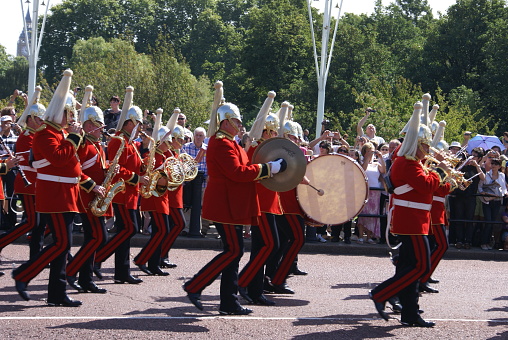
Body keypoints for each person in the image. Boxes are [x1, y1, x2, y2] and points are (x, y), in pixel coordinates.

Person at [183, 89, 285, 315]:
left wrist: (265, 166)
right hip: (225, 206)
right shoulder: (221, 143)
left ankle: (228, 302)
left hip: (233, 205)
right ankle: (195, 285)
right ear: (226, 122)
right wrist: (268, 168)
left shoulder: (233, 144)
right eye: (236, 121)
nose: (240, 125)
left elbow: (246, 167)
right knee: (233, 251)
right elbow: (237, 172)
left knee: (234, 251)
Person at [369, 100, 450, 327]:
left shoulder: (415, 162)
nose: (428, 150)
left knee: (408, 267)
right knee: (422, 267)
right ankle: (381, 293)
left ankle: (410, 313)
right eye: (425, 146)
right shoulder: (408, 163)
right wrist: (439, 170)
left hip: (416, 220)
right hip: (410, 221)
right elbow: (427, 186)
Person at [12, 69, 85, 306]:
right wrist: (73, 138)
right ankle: (23, 275)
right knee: (62, 243)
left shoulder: (60, 133)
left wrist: (92, 186)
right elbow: (60, 159)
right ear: (59, 112)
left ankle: (56, 293)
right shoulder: (45, 133)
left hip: (66, 194)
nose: (72, 118)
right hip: (54, 194)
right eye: (69, 113)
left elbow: (72, 165)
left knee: (63, 246)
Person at [94, 86, 148, 284]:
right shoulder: (118, 140)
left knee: (127, 231)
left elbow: (135, 166)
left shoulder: (132, 143)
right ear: (130, 123)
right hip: (122, 192)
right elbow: (117, 168)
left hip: (131, 193)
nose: (140, 128)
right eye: (138, 124)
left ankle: (122, 272)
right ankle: (98, 258)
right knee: (129, 229)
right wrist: (138, 179)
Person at [66, 86, 108, 294]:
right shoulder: (83, 143)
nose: (102, 129)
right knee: (98, 237)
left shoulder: (97, 145)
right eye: (99, 125)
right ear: (90, 124)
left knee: (95, 237)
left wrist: (112, 169)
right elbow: (76, 170)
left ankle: (85, 278)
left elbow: (99, 169)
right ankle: (72, 271)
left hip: (96, 196)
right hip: (86, 197)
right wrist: (94, 186)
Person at [0, 87, 44, 260]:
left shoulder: (34, 135)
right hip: (27, 184)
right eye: (39, 119)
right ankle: (2, 241)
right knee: (32, 222)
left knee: (39, 224)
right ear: (31, 119)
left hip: (36, 183)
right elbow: (35, 160)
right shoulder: (27, 136)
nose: (42, 122)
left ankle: (36, 255)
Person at [135, 111, 172, 276]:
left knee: (161, 231)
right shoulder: (153, 156)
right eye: (167, 142)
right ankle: (144, 259)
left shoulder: (162, 156)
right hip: (154, 198)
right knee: (162, 230)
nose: (169, 145)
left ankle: (153, 263)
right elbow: (144, 170)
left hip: (161, 198)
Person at [357, 142, 386, 244]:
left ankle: (369, 236)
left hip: (375, 193)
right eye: (368, 151)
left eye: (371, 151)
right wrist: (367, 158)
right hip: (365, 192)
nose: (370, 153)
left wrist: (380, 157)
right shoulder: (361, 163)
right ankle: (360, 236)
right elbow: (363, 170)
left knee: (372, 214)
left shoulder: (377, 164)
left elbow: (383, 171)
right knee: (363, 213)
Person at [478, 158, 507, 250]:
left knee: (492, 222)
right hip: (487, 201)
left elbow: (504, 187)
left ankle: (489, 242)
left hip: (497, 201)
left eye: (496, 164)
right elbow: (480, 187)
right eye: (492, 163)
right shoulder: (486, 175)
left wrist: (505, 193)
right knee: (488, 222)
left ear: (499, 166)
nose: (493, 166)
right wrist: (483, 194)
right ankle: (483, 242)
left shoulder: (502, 175)